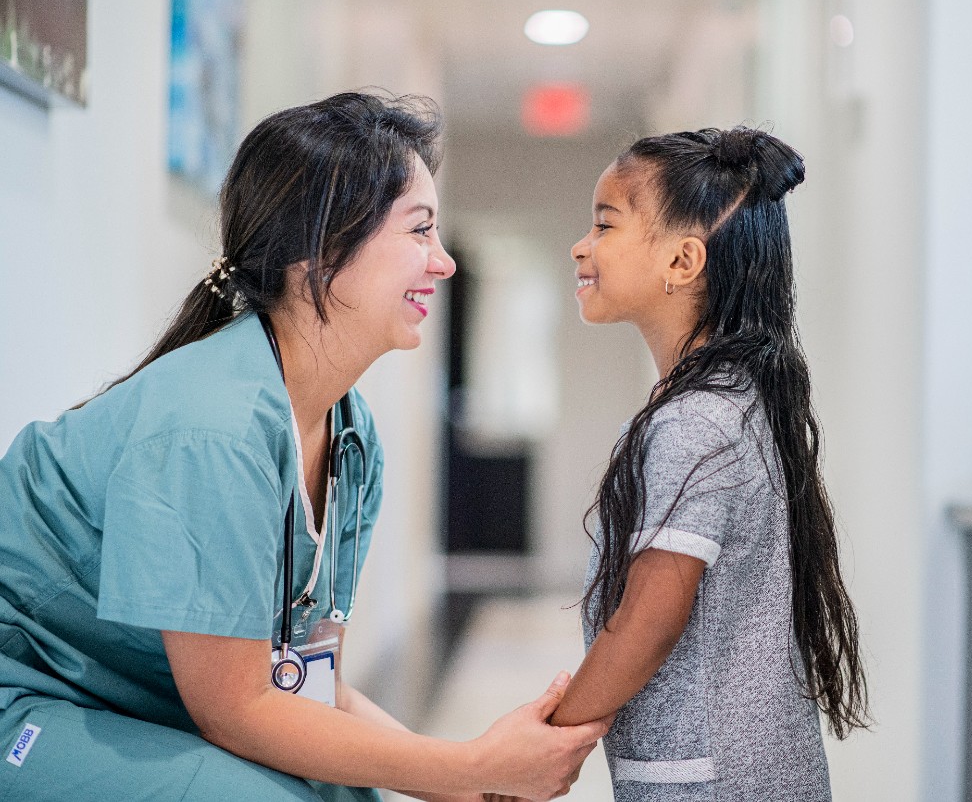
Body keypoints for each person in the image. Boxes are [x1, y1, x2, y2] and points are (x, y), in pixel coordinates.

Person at [0, 92, 606, 801]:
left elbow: (308, 683)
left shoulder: (350, 439)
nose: (442, 263)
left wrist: (465, 776)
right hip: (30, 696)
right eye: (419, 231)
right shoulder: (213, 429)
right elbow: (236, 710)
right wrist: (468, 770)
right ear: (321, 251)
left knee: (351, 791)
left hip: (132, 699)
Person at [548, 128, 870, 800]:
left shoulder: (694, 423)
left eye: (605, 224)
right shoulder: (729, 401)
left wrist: (551, 739)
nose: (581, 245)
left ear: (684, 260)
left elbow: (650, 617)